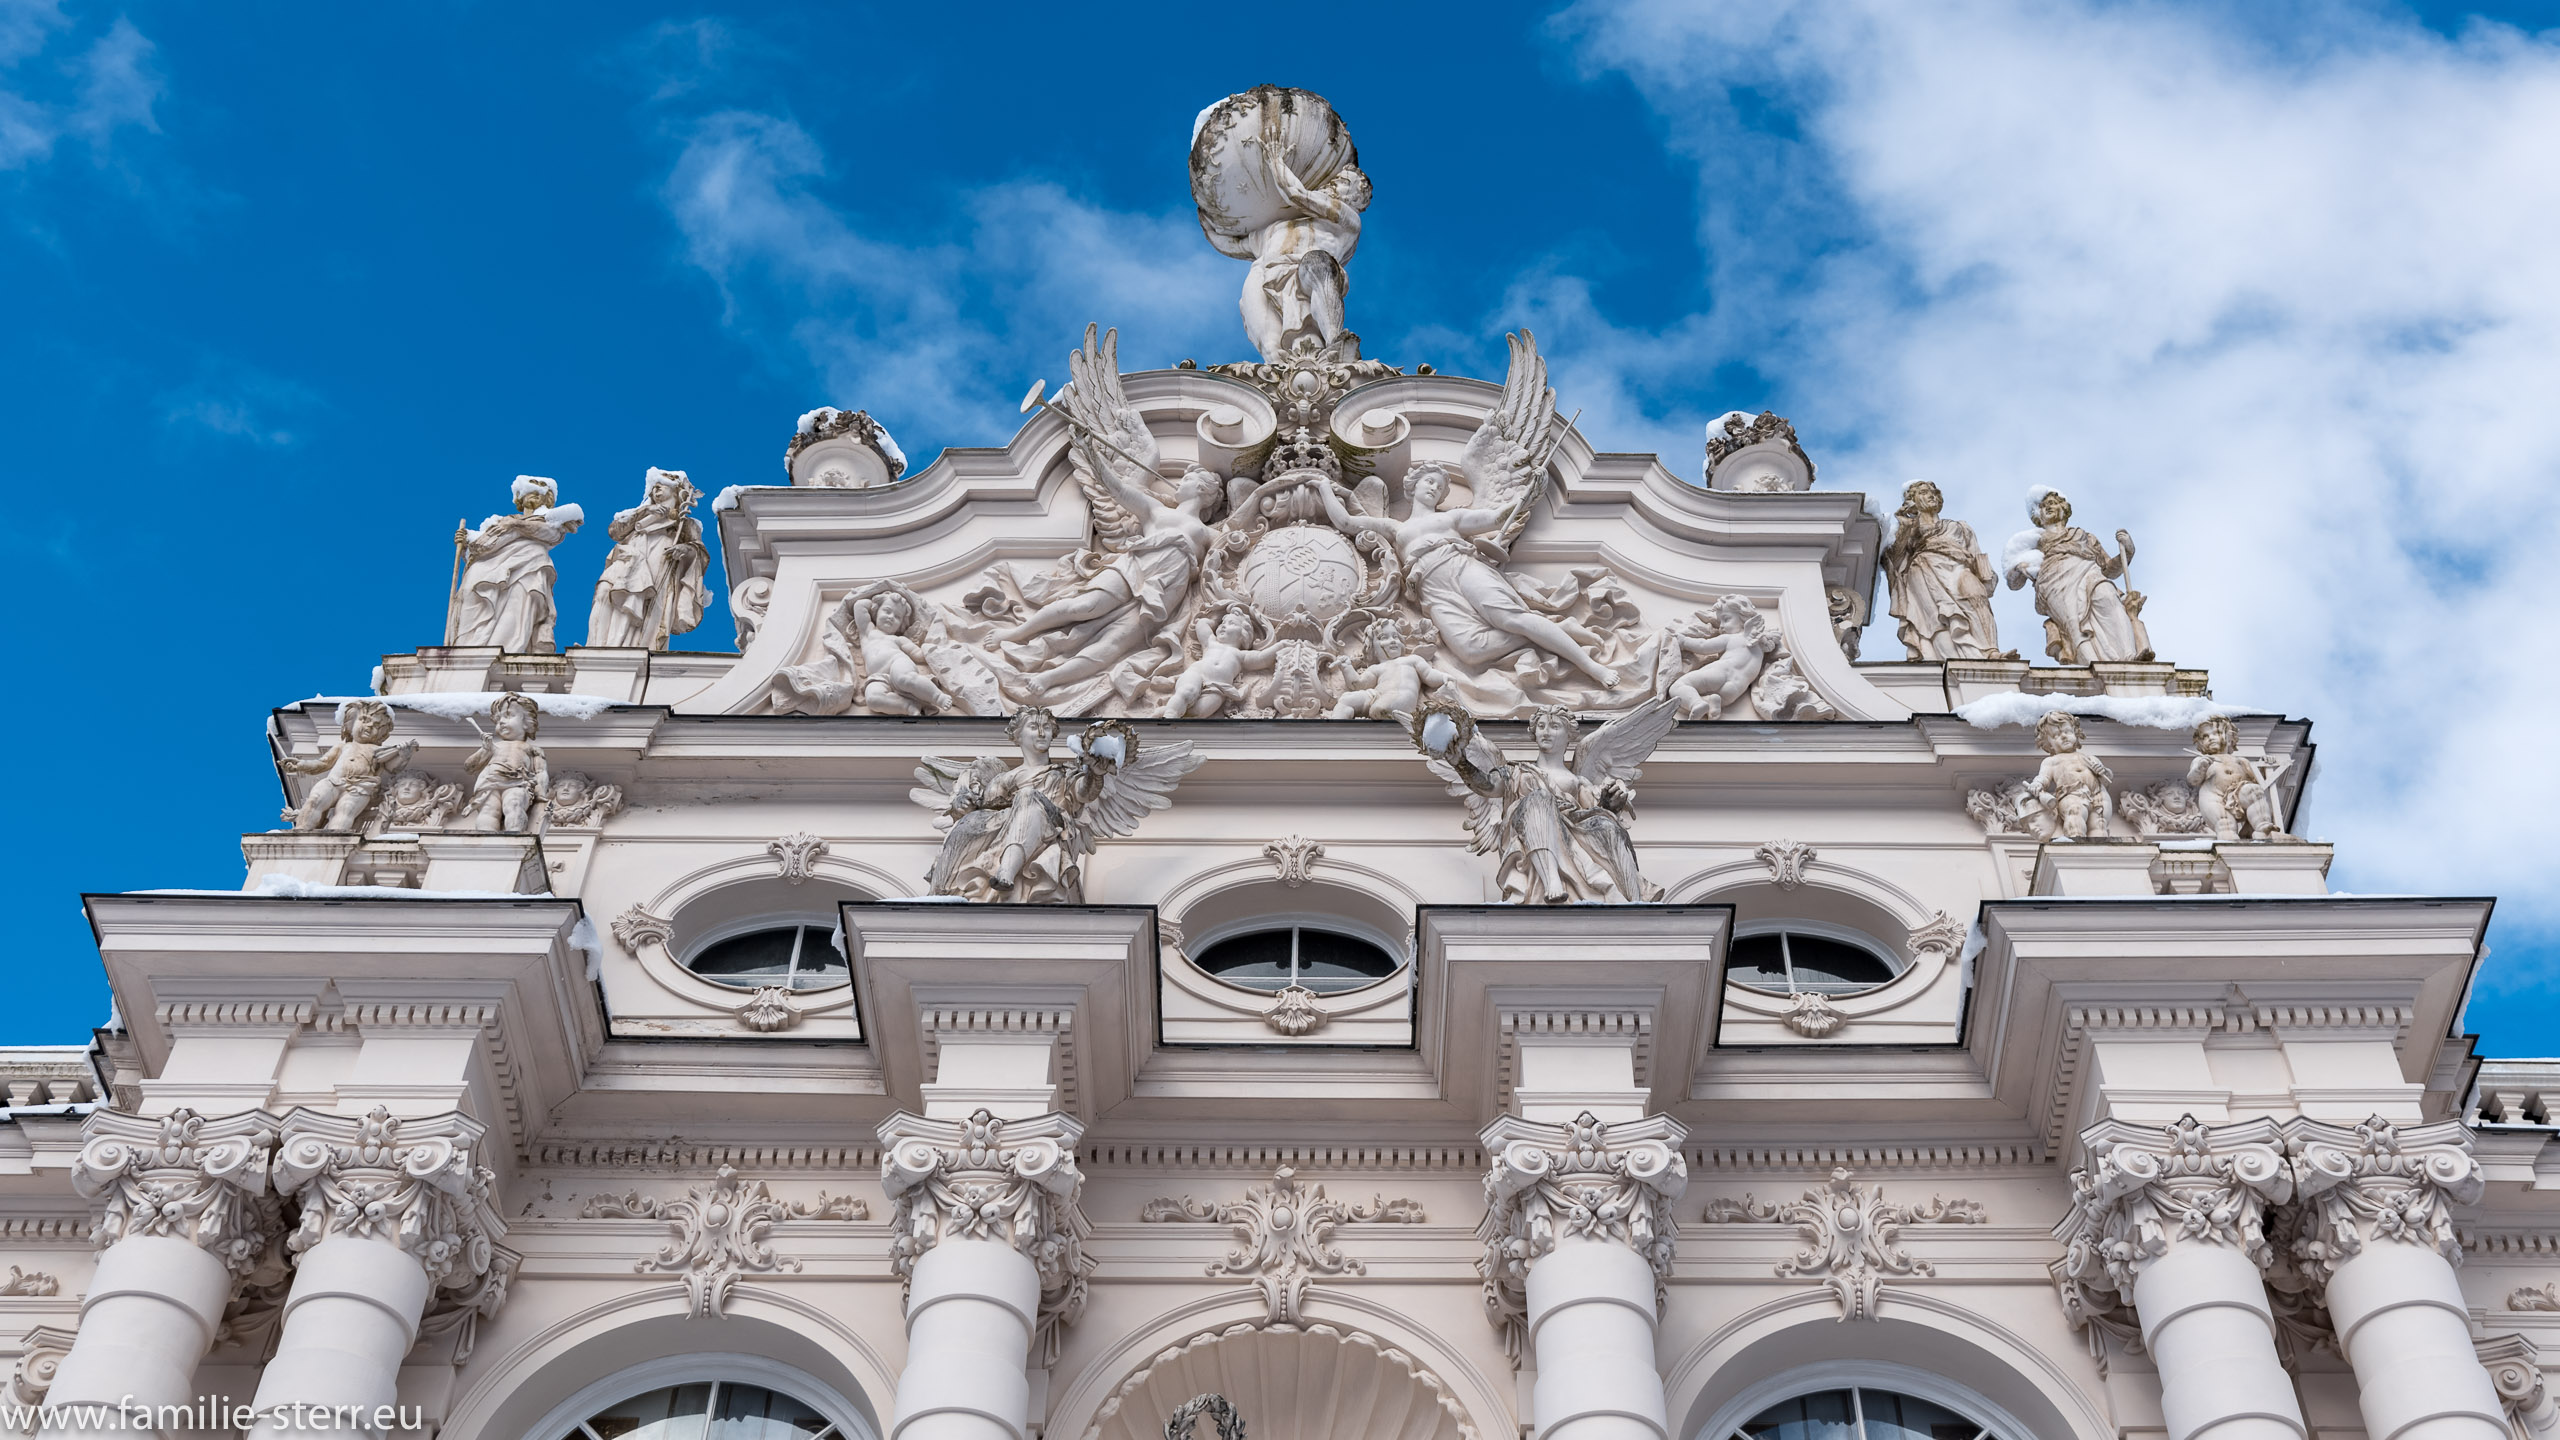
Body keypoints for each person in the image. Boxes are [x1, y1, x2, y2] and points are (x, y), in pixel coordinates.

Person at [450, 476, 582, 653]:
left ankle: (505, 651)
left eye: (540, 493)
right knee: (470, 598)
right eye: (530, 492)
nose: (535, 496)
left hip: (527, 565)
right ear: (521, 496)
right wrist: (468, 542)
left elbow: (550, 533)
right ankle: (468, 651)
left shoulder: (548, 519)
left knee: (515, 610)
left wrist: (515, 525)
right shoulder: (501, 523)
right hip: (487, 568)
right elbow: (483, 548)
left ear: (548, 497)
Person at [589, 468, 709, 650]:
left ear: (676, 491)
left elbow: (699, 553)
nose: (657, 490)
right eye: (654, 487)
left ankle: (641, 646)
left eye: (662, 486)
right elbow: (615, 531)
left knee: (650, 604)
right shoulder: (643, 512)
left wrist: (684, 548)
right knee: (605, 592)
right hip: (629, 556)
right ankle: (597, 645)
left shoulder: (685, 523)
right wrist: (645, 511)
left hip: (661, 559)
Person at [1882, 480, 2002, 661]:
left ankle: (1990, 652)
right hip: (1925, 570)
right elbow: (1895, 560)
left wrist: (1986, 576)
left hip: (1960, 566)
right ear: (1911, 501)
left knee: (1977, 597)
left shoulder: (1960, 527)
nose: (1931, 495)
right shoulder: (1910, 529)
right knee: (1940, 618)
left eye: (1933, 492)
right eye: (1923, 492)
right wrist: (1905, 527)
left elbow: (1976, 554)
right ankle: (1952, 659)